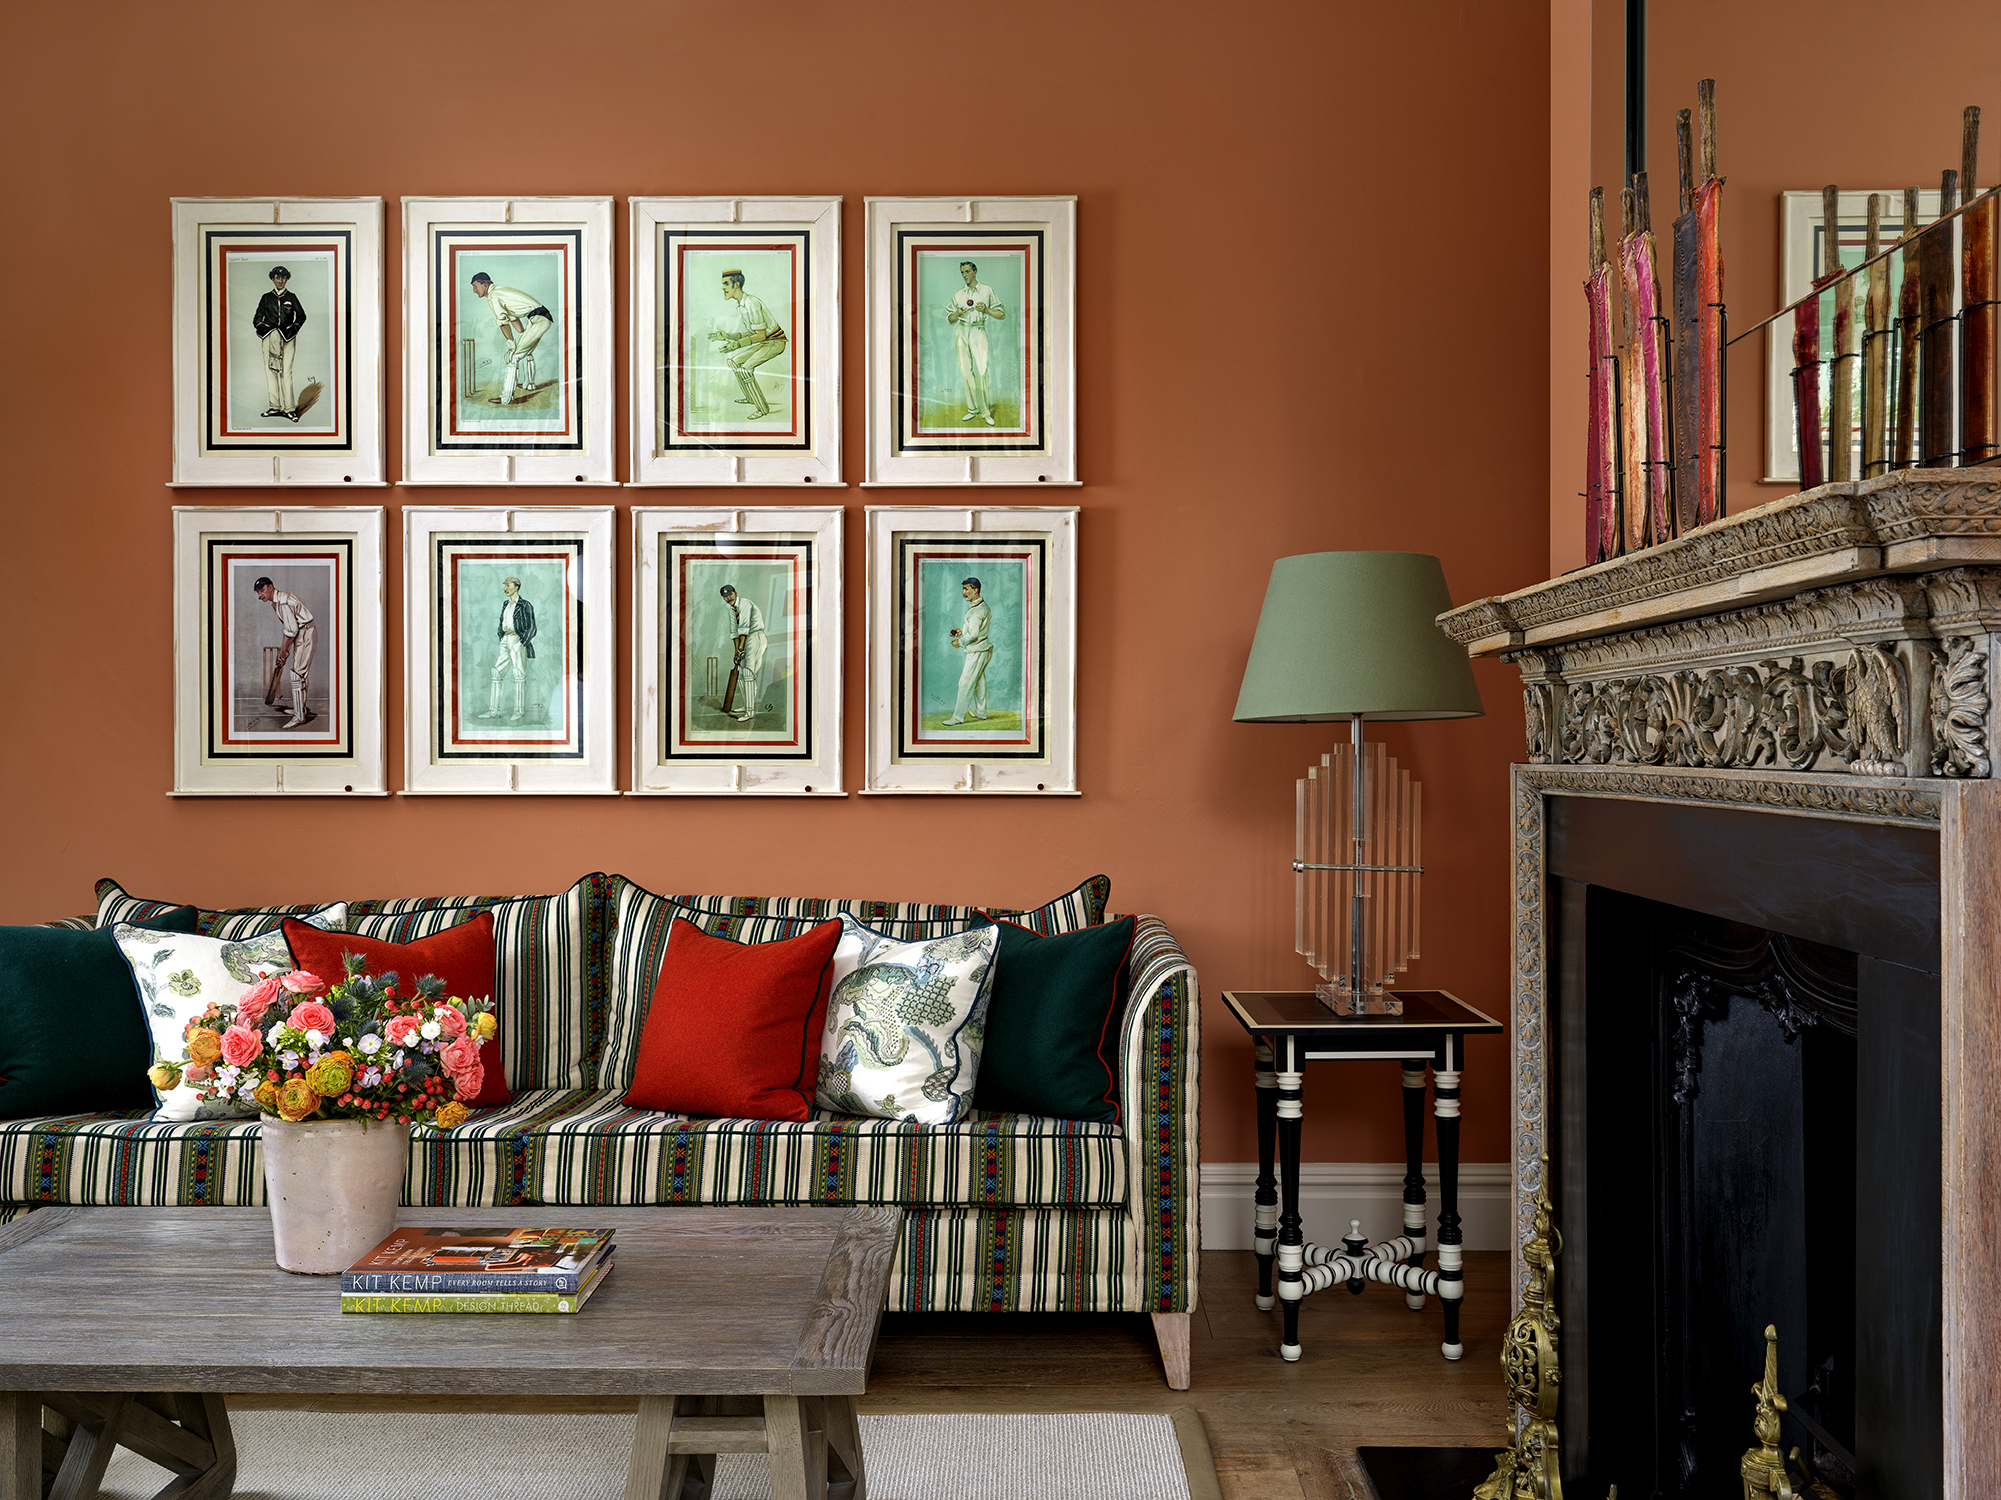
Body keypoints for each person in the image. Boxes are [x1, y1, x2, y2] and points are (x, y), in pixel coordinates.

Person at [707, 269, 787, 420]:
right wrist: (727, 337)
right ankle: (751, 398)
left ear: (736, 284)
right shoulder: (741, 305)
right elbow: (753, 333)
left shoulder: (751, 303)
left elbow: (761, 335)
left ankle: (762, 409)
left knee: (745, 369)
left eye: (726, 284)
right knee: (734, 362)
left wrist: (736, 345)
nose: (722, 288)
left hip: (775, 342)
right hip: (765, 342)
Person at [469, 272, 553, 406]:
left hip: (539, 320)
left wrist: (512, 345)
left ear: (484, 284)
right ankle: (529, 384)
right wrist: (522, 336)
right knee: (525, 351)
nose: (474, 290)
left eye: (475, 286)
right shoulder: (499, 291)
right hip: (540, 318)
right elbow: (513, 317)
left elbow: (503, 323)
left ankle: (506, 398)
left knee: (514, 357)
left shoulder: (493, 296)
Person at [251, 576, 317, 730]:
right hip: (302, 632)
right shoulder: (277, 602)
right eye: (258, 592)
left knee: (297, 674)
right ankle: (300, 708)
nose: (260, 595)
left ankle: (300, 716)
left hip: (305, 632)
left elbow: (292, 630)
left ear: (270, 587)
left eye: (262, 590)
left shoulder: (283, 603)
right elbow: (290, 629)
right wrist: (284, 651)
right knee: (300, 673)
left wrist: (283, 651)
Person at [944, 261, 1005, 426]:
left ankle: (985, 412)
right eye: (962, 272)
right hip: (962, 332)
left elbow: (1001, 314)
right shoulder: (958, 295)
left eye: (967, 271)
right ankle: (972, 409)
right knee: (965, 372)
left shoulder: (987, 290)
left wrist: (986, 310)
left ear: (975, 272)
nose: (964, 275)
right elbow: (950, 319)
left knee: (981, 371)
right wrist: (957, 313)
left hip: (978, 331)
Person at [478, 576, 537, 722]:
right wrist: (502, 637)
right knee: (497, 672)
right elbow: (502, 621)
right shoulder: (505, 603)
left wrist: (522, 640)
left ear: (517, 587)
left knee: (518, 674)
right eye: (505, 586)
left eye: (508, 585)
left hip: (518, 639)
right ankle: (493, 711)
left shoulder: (525, 605)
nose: (505, 589)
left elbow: (532, 627)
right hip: (505, 639)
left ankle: (519, 711)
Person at [254, 266, 306, 421]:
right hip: (269, 339)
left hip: (287, 338)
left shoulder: (292, 296)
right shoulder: (265, 298)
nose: (280, 280)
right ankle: (274, 406)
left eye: (283, 278)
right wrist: (267, 332)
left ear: (287, 279)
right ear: (272, 279)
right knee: (270, 372)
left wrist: (293, 329)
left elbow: (302, 315)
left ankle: (290, 409)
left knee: (286, 372)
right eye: (277, 277)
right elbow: (257, 319)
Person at [943, 577, 992, 726]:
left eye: (966, 589)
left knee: (965, 683)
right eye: (963, 589)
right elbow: (973, 630)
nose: (963, 592)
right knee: (978, 681)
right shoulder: (979, 606)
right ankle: (981, 712)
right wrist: (960, 632)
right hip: (983, 649)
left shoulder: (977, 610)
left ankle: (957, 717)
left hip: (977, 651)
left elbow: (974, 634)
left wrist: (960, 641)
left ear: (975, 590)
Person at [719, 583, 766, 723]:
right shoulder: (731, 610)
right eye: (725, 596)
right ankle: (746, 705)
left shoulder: (744, 604)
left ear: (735, 592)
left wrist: (740, 648)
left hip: (755, 637)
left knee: (748, 673)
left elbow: (744, 628)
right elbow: (734, 632)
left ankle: (750, 711)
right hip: (744, 639)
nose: (728, 598)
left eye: (730, 594)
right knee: (740, 674)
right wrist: (736, 651)